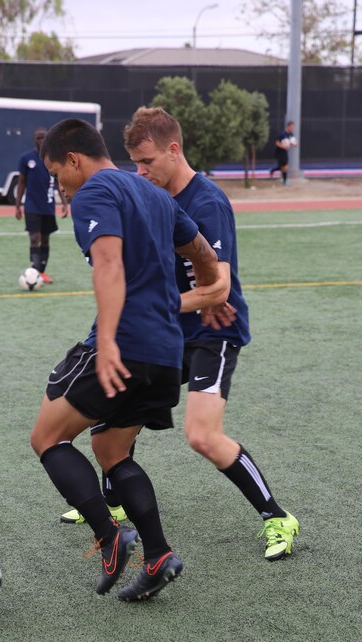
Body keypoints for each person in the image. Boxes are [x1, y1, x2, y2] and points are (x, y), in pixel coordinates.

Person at [61, 107, 299, 562]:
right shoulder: (150, 198)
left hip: (215, 333)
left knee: (202, 435)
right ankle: (113, 505)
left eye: (147, 161)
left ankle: (276, 517)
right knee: (113, 416)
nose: (140, 170)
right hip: (170, 332)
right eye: (134, 162)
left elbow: (219, 288)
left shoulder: (205, 201)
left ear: (174, 150)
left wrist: (154, 304)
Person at [30, 117, 234, 601]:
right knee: (111, 451)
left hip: (125, 342)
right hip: (168, 353)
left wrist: (111, 340)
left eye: (59, 174)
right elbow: (201, 250)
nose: (61, 186)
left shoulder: (94, 193)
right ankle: (159, 555)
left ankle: (110, 535)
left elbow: (108, 264)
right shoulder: (158, 196)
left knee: (47, 438)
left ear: (75, 160)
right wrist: (210, 289)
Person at [15, 127, 69, 284]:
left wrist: (65, 203)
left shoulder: (53, 159)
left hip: (48, 206)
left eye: (44, 137)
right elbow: (22, 182)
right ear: (34, 140)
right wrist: (17, 205)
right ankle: (35, 271)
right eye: (38, 138)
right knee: (34, 237)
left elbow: (59, 182)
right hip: (31, 206)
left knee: (45, 239)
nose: (41, 140)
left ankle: (42, 272)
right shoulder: (26, 158)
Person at [269, 120, 296, 186]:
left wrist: (294, 144)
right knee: (285, 167)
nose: (293, 128)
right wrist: (282, 146)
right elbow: (277, 143)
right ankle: (285, 182)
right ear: (288, 126)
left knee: (282, 167)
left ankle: (273, 170)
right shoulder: (282, 134)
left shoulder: (291, 135)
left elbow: (292, 143)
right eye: (292, 127)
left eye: (293, 127)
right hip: (280, 152)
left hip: (285, 152)